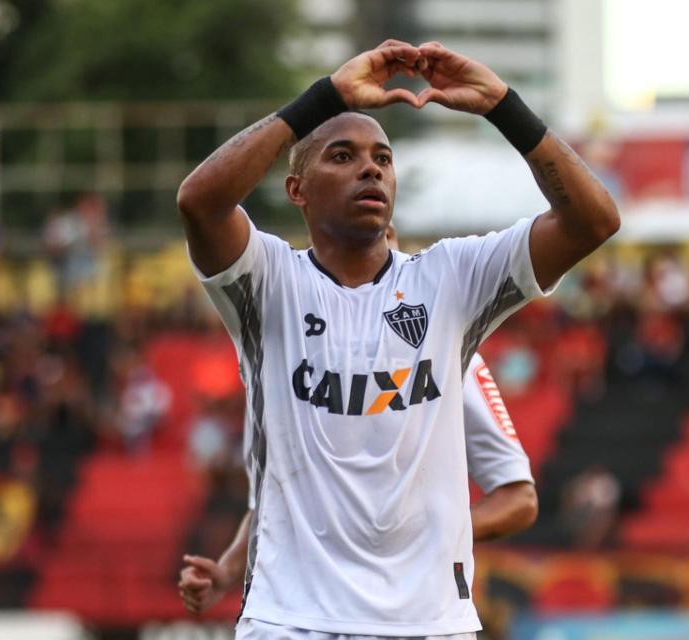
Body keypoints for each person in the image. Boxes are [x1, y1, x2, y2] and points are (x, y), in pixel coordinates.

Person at [177, 39, 618, 639]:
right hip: (291, 620)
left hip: (429, 622)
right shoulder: (268, 282)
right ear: (297, 190)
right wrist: (326, 97)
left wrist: (502, 106)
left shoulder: (453, 279)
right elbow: (200, 202)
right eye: (342, 156)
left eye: (383, 159)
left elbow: (594, 221)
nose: (371, 169)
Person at [178, 350, 538, 612]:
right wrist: (228, 570)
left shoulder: (452, 352)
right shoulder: (282, 361)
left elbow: (519, 499)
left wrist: (423, 534)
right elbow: (272, 503)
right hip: (303, 612)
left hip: (415, 611)